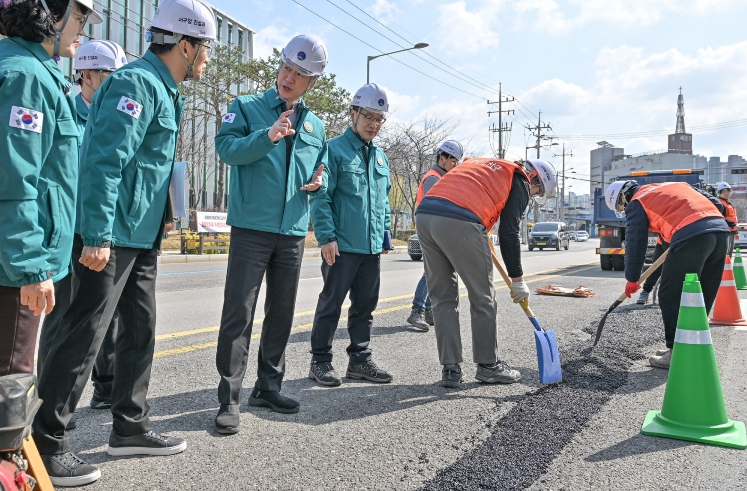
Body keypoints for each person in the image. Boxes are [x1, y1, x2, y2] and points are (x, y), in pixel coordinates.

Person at [32, 0, 216, 485]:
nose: (207, 59)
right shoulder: (135, 84)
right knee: (85, 336)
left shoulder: (164, 89)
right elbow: (104, 161)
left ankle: (130, 427)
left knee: (140, 330)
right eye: (206, 49)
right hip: (110, 235)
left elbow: (150, 169)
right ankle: (47, 443)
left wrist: (165, 218)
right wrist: (96, 234)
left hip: (141, 235)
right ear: (186, 45)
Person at [212, 34, 328, 434]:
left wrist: (321, 182)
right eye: (286, 68)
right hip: (252, 228)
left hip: (293, 230)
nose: (289, 78)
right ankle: (229, 399)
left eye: (299, 74)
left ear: (312, 81)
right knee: (238, 314)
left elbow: (322, 167)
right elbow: (226, 150)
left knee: (281, 313)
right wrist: (268, 136)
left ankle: (268, 387)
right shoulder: (245, 107)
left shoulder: (316, 125)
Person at [0, 0, 101, 378]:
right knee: (11, 384)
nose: (83, 30)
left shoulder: (21, 66)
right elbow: (14, 180)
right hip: (13, 270)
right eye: (80, 17)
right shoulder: (27, 78)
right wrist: (30, 267)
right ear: (46, 12)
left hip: (11, 259)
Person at [36, 39, 127, 418]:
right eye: (109, 76)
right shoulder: (64, 115)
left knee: (108, 313)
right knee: (61, 316)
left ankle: (105, 388)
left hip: (104, 231)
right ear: (87, 75)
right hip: (67, 232)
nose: (116, 84)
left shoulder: (116, 117)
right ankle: (47, 399)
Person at [416, 158, 558, 388]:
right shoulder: (519, 179)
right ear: (534, 178)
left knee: (442, 297)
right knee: (483, 297)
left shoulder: (485, 164)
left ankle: (450, 369)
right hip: (459, 219)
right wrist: (517, 280)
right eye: (537, 191)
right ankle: (488, 365)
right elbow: (509, 232)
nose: (532, 195)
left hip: (425, 216)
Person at [307, 83, 393, 387]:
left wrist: (384, 234)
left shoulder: (380, 157)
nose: (373, 124)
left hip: (370, 247)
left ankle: (360, 361)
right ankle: (320, 361)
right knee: (331, 304)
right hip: (341, 246)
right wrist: (326, 237)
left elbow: (383, 201)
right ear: (353, 113)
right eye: (368, 116)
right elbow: (321, 196)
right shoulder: (333, 149)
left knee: (365, 306)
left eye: (379, 119)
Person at [605, 180, 730, 369]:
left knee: (670, 293)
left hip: (693, 236)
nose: (624, 209)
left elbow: (635, 242)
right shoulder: (670, 187)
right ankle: (692, 345)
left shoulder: (637, 201)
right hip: (719, 231)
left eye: (621, 207)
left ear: (623, 197)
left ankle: (677, 352)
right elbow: (718, 204)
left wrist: (631, 278)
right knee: (701, 292)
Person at [406, 140, 463, 331]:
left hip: (435, 231)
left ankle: (429, 311)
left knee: (437, 272)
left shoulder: (441, 177)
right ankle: (417, 311)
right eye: (453, 161)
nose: (455, 165)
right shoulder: (433, 179)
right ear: (442, 158)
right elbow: (436, 209)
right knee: (432, 272)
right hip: (430, 232)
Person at [716, 182, 738, 256]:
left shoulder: (728, 203)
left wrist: (735, 231)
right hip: (724, 232)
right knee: (725, 255)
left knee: (729, 255)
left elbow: (732, 218)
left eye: (728, 191)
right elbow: (720, 218)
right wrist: (733, 225)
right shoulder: (720, 204)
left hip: (731, 231)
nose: (726, 193)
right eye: (723, 191)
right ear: (719, 193)